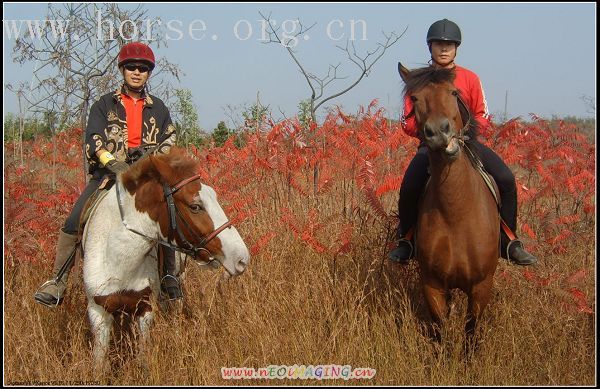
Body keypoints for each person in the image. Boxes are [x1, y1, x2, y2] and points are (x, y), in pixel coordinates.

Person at [34, 42, 183, 307]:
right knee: (74, 221)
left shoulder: (159, 109)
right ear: (122, 70)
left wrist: (148, 163)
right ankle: (57, 281)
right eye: (131, 67)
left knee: (168, 218)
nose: (137, 72)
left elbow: (169, 140)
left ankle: (169, 276)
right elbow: (93, 140)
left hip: (146, 179)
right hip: (108, 177)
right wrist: (114, 163)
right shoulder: (104, 105)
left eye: (143, 68)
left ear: (149, 73)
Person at [388, 19, 537, 266]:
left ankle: (509, 241)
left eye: (449, 44)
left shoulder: (469, 78)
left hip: (467, 143)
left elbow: (483, 114)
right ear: (430, 47)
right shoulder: (418, 80)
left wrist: (463, 134)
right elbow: (407, 122)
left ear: (456, 47)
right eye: (438, 44)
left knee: (506, 179)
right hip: (430, 146)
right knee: (410, 186)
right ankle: (407, 241)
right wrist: (428, 134)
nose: (444, 48)